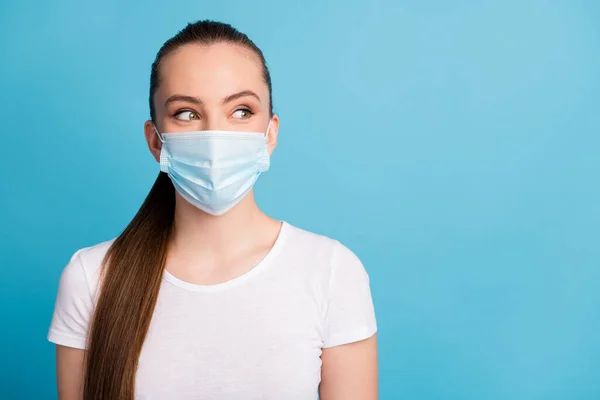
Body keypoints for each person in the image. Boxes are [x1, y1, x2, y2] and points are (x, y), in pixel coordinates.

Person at [47, 20, 378, 400]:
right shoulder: (92, 278)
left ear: (269, 134)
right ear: (156, 142)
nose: (215, 137)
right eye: (187, 113)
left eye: (240, 111)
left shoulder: (332, 272)